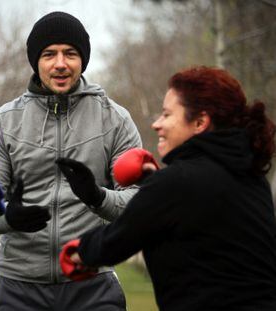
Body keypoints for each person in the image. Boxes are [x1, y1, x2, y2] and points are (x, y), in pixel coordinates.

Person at [63, 66, 276, 310]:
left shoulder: (176, 183)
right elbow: (201, 220)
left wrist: (77, 252)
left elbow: (117, 240)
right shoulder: (252, 178)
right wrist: (152, 184)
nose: (156, 124)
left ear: (199, 122)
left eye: (166, 114)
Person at [0, 11, 142, 310]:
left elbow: (139, 203)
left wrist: (99, 197)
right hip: (18, 287)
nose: (60, 64)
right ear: (36, 61)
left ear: (82, 59)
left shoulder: (114, 119)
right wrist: (9, 217)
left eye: (70, 53)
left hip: (92, 283)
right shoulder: (4, 121)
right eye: (49, 54)